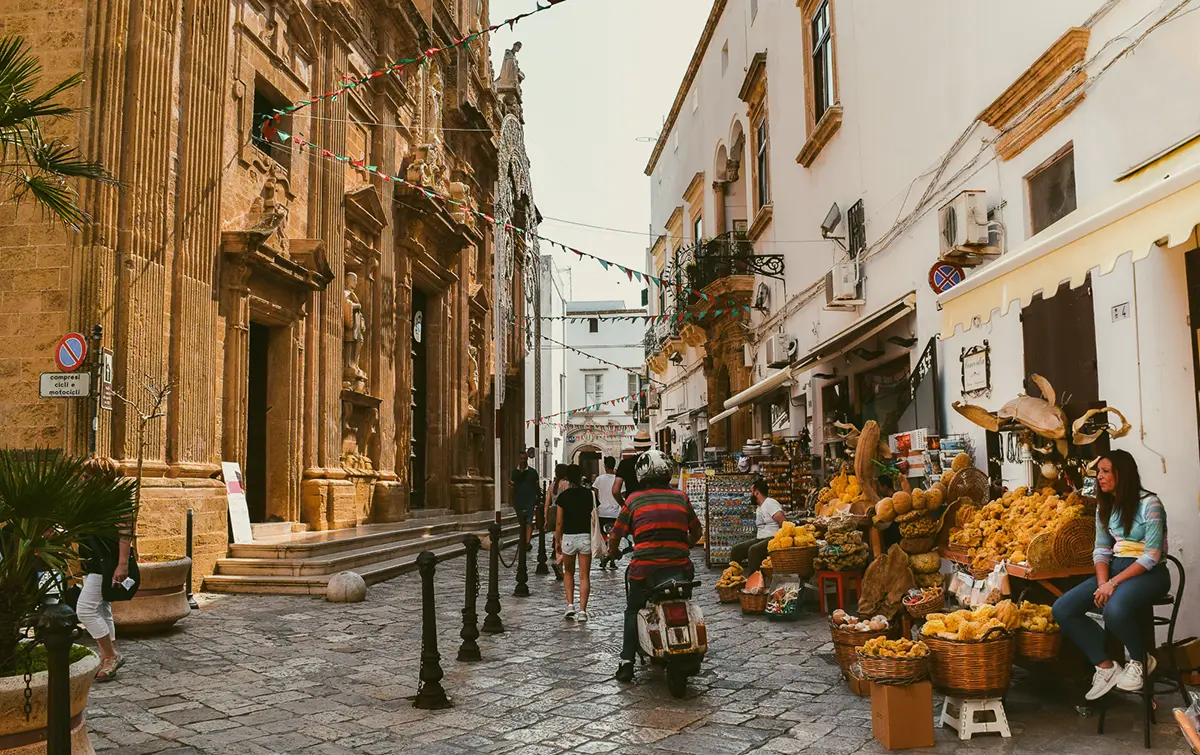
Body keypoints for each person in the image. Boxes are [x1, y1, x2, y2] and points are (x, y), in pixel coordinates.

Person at [1052, 450, 1170, 700]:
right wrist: (1103, 581)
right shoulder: (1105, 507)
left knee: (1114, 611)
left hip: (1150, 573)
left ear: (1122, 474)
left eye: (1105, 472)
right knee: (1063, 608)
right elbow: (1102, 550)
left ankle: (1140, 659)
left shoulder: (1151, 504)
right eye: (1098, 473)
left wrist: (1113, 583)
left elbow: (1152, 556)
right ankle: (1105, 666)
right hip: (1116, 569)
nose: (1100, 478)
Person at [606, 450, 702, 683]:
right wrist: (685, 543)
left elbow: (616, 534)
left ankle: (626, 662)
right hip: (679, 567)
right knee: (684, 600)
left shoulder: (634, 500)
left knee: (632, 609)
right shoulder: (681, 498)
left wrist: (613, 553)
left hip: (644, 570)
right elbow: (697, 532)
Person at [77, 458, 132, 682]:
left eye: (87, 475)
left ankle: (111, 654)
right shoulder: (91, 499)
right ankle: (107, 656)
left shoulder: (117, 500)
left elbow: (125, 534)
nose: (83, 479)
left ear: (101, 476)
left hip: (107, 561)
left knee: (85, 609)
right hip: (91, 560)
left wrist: (122, 564)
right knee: (102, 608)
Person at [555, 465, 596, 621]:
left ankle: (570, 605)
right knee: (584, 576)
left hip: (569, 539)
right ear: (580, 477)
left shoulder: (563, 497)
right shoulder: (589, 495)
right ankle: (582, 611)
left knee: (568, 572)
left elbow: (559, 522)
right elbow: (594, 516)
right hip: (585, 537)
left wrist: (558, 540)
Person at [729, 479, 785, 577]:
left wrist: (779, 540)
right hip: (761, 538)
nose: (750, 495)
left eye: (751, 492)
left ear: (757, 492)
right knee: (736, 550)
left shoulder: (770, 503)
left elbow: (784, 522)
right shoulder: (760, 507)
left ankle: (754, 582)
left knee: (754, 550)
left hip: (773, 538)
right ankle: (732, 578)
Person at [593, 456, 622, 570]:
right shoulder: (618, 479)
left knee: (603, 537)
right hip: (615, 513)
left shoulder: (599, 479)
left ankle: (604, 557)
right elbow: (622, 494)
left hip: (602, 513)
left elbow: (595, 494)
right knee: (614, 538)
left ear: (605, 466)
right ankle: (612, 559)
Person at [613, 430, 652, 506]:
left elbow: (615, 491)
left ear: (635, 446)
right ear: (649, 446)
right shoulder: (654, 461)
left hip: (632, 504)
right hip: (652, 505)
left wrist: (623, 505)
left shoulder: (625, 463)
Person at [509, 450, 539, 548]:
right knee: (521, 521)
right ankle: (523, 539)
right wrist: (511, 499)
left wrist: (537, 498)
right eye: (521, 459)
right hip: (518, 500)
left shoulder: (533, 472)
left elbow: (537, 486)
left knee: (529, 521)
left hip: (530, 500)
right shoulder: (515, 472)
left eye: (525, 459)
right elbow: (512, 487)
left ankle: (527, 542)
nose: (523, 461)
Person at [544, 463, 569, 580]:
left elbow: (547, 503)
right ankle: (560, 563)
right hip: (561, 511)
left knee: (556, 541)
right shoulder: (565, 484)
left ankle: (559, 565)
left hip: (552, 512)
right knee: (564, 540)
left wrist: (545, 518)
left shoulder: (551, 485)